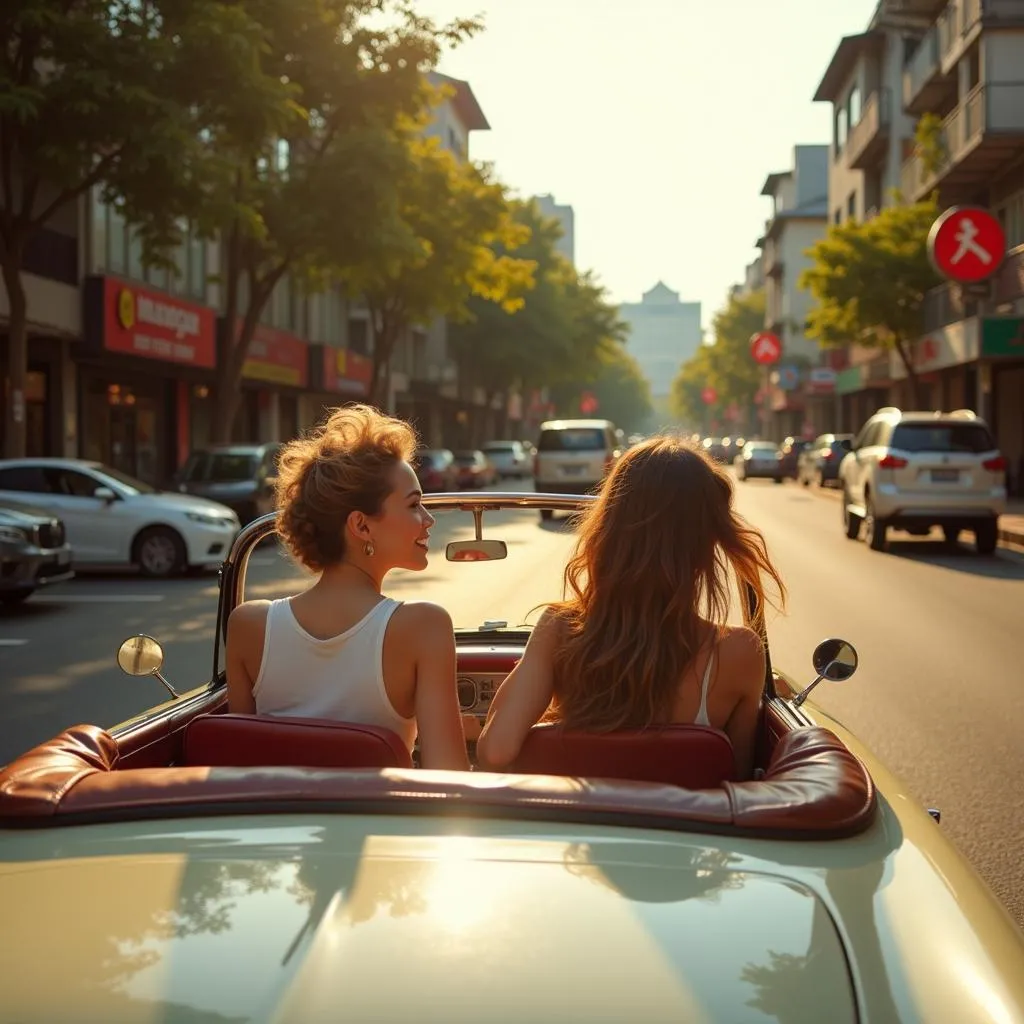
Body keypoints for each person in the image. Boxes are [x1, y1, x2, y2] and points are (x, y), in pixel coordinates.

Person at [476, 435, 786, 780]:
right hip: (689, 833)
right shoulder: (740, 653)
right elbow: (737, 778)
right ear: (705, 546)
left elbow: (496, 752)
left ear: (607, 533)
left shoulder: (561, 629)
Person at [225, 404, 469, 771]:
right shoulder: (424, 627)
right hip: (380, 824)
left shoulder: (248, 625)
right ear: (362, 526)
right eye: (415, 505)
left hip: (276, 824)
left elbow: (239, 770)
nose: (428, 520)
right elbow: (447, 780)